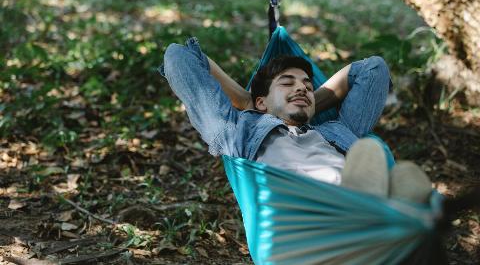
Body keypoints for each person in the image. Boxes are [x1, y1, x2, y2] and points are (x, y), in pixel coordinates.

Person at [159, 37, 432, 202]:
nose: (302, 88)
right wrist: (246, 102)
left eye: (307, 86)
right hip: (304, 219)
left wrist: (307, 105)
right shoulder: (236, 131)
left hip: (360, 207)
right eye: (287, 83)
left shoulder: (337, 131)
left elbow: (373, 70)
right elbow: (178, 57)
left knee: (399, 178)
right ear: (261, 102)